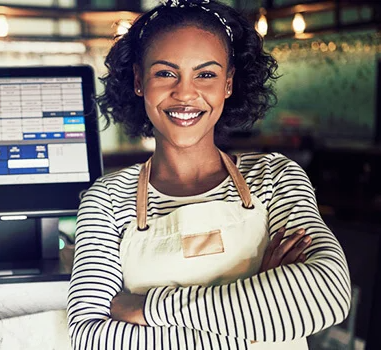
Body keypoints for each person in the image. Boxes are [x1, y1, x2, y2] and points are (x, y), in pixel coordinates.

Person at [66, 0, 351, 349]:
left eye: (206, 74)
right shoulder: (106, 200)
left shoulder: (276, 177)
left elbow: (328, 294)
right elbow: (90, 336)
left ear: (228, 84)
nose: (185, 93)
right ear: (140, 81)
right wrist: (258, 314)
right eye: (165, 73)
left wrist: (144, 308)